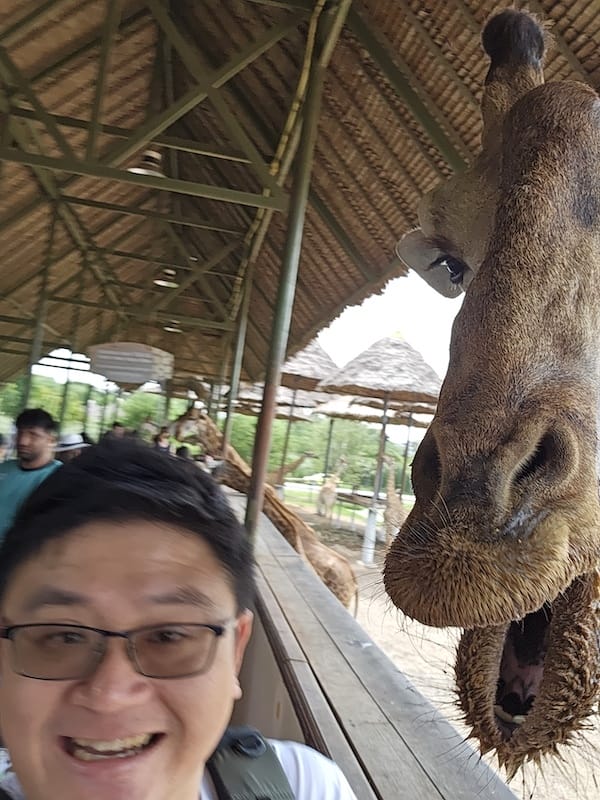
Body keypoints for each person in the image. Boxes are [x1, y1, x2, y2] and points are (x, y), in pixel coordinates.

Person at [0, 441, 356, 800]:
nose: (110, 695)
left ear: (235, 651)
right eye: (64, 637)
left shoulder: (305, 786)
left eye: (168, 636)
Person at [0, 409, 61, 540]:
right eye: (20, 433)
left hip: (18, 554)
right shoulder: (4, 468)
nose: (23, 441)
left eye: (33, 435)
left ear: (51, 440)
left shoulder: (59, 478)